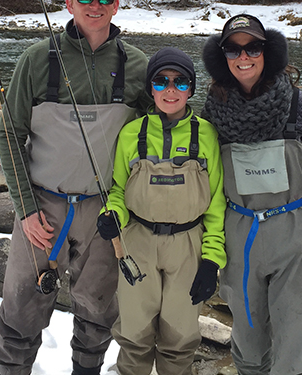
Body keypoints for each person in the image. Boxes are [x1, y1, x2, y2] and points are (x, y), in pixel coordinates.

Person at [0, 0, 151, 375]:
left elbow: (163, 134)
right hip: (41, 210)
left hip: (105, 213)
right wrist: (26, 210)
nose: (94, 5)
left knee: (98, 314)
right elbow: (8, 134)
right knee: (19, 314)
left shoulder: (139, 66)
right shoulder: (35, 60)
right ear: (69, 3)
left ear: (117, 5)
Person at [201, 14, 302, 375]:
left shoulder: (299, 103)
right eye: (234, 48)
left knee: (298, 334)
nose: (244, 56)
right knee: (248, 335)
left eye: (253, 47)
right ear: (222, 55)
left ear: (267, 51)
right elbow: (207, 177)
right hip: (239, 237)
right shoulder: (213, 110)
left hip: (295, 238)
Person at [96, 47, 227, 375]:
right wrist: (112, 215)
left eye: (180, 82)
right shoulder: (131, 133)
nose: (171, 90)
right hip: (136, 242)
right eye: (161, 81)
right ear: (150, 88)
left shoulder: (208, 134)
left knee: (180, 338)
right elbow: (118, 192)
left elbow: (216, 205)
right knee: (134, 335)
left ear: (191, 89)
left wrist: (212, 261)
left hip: (188, 246)